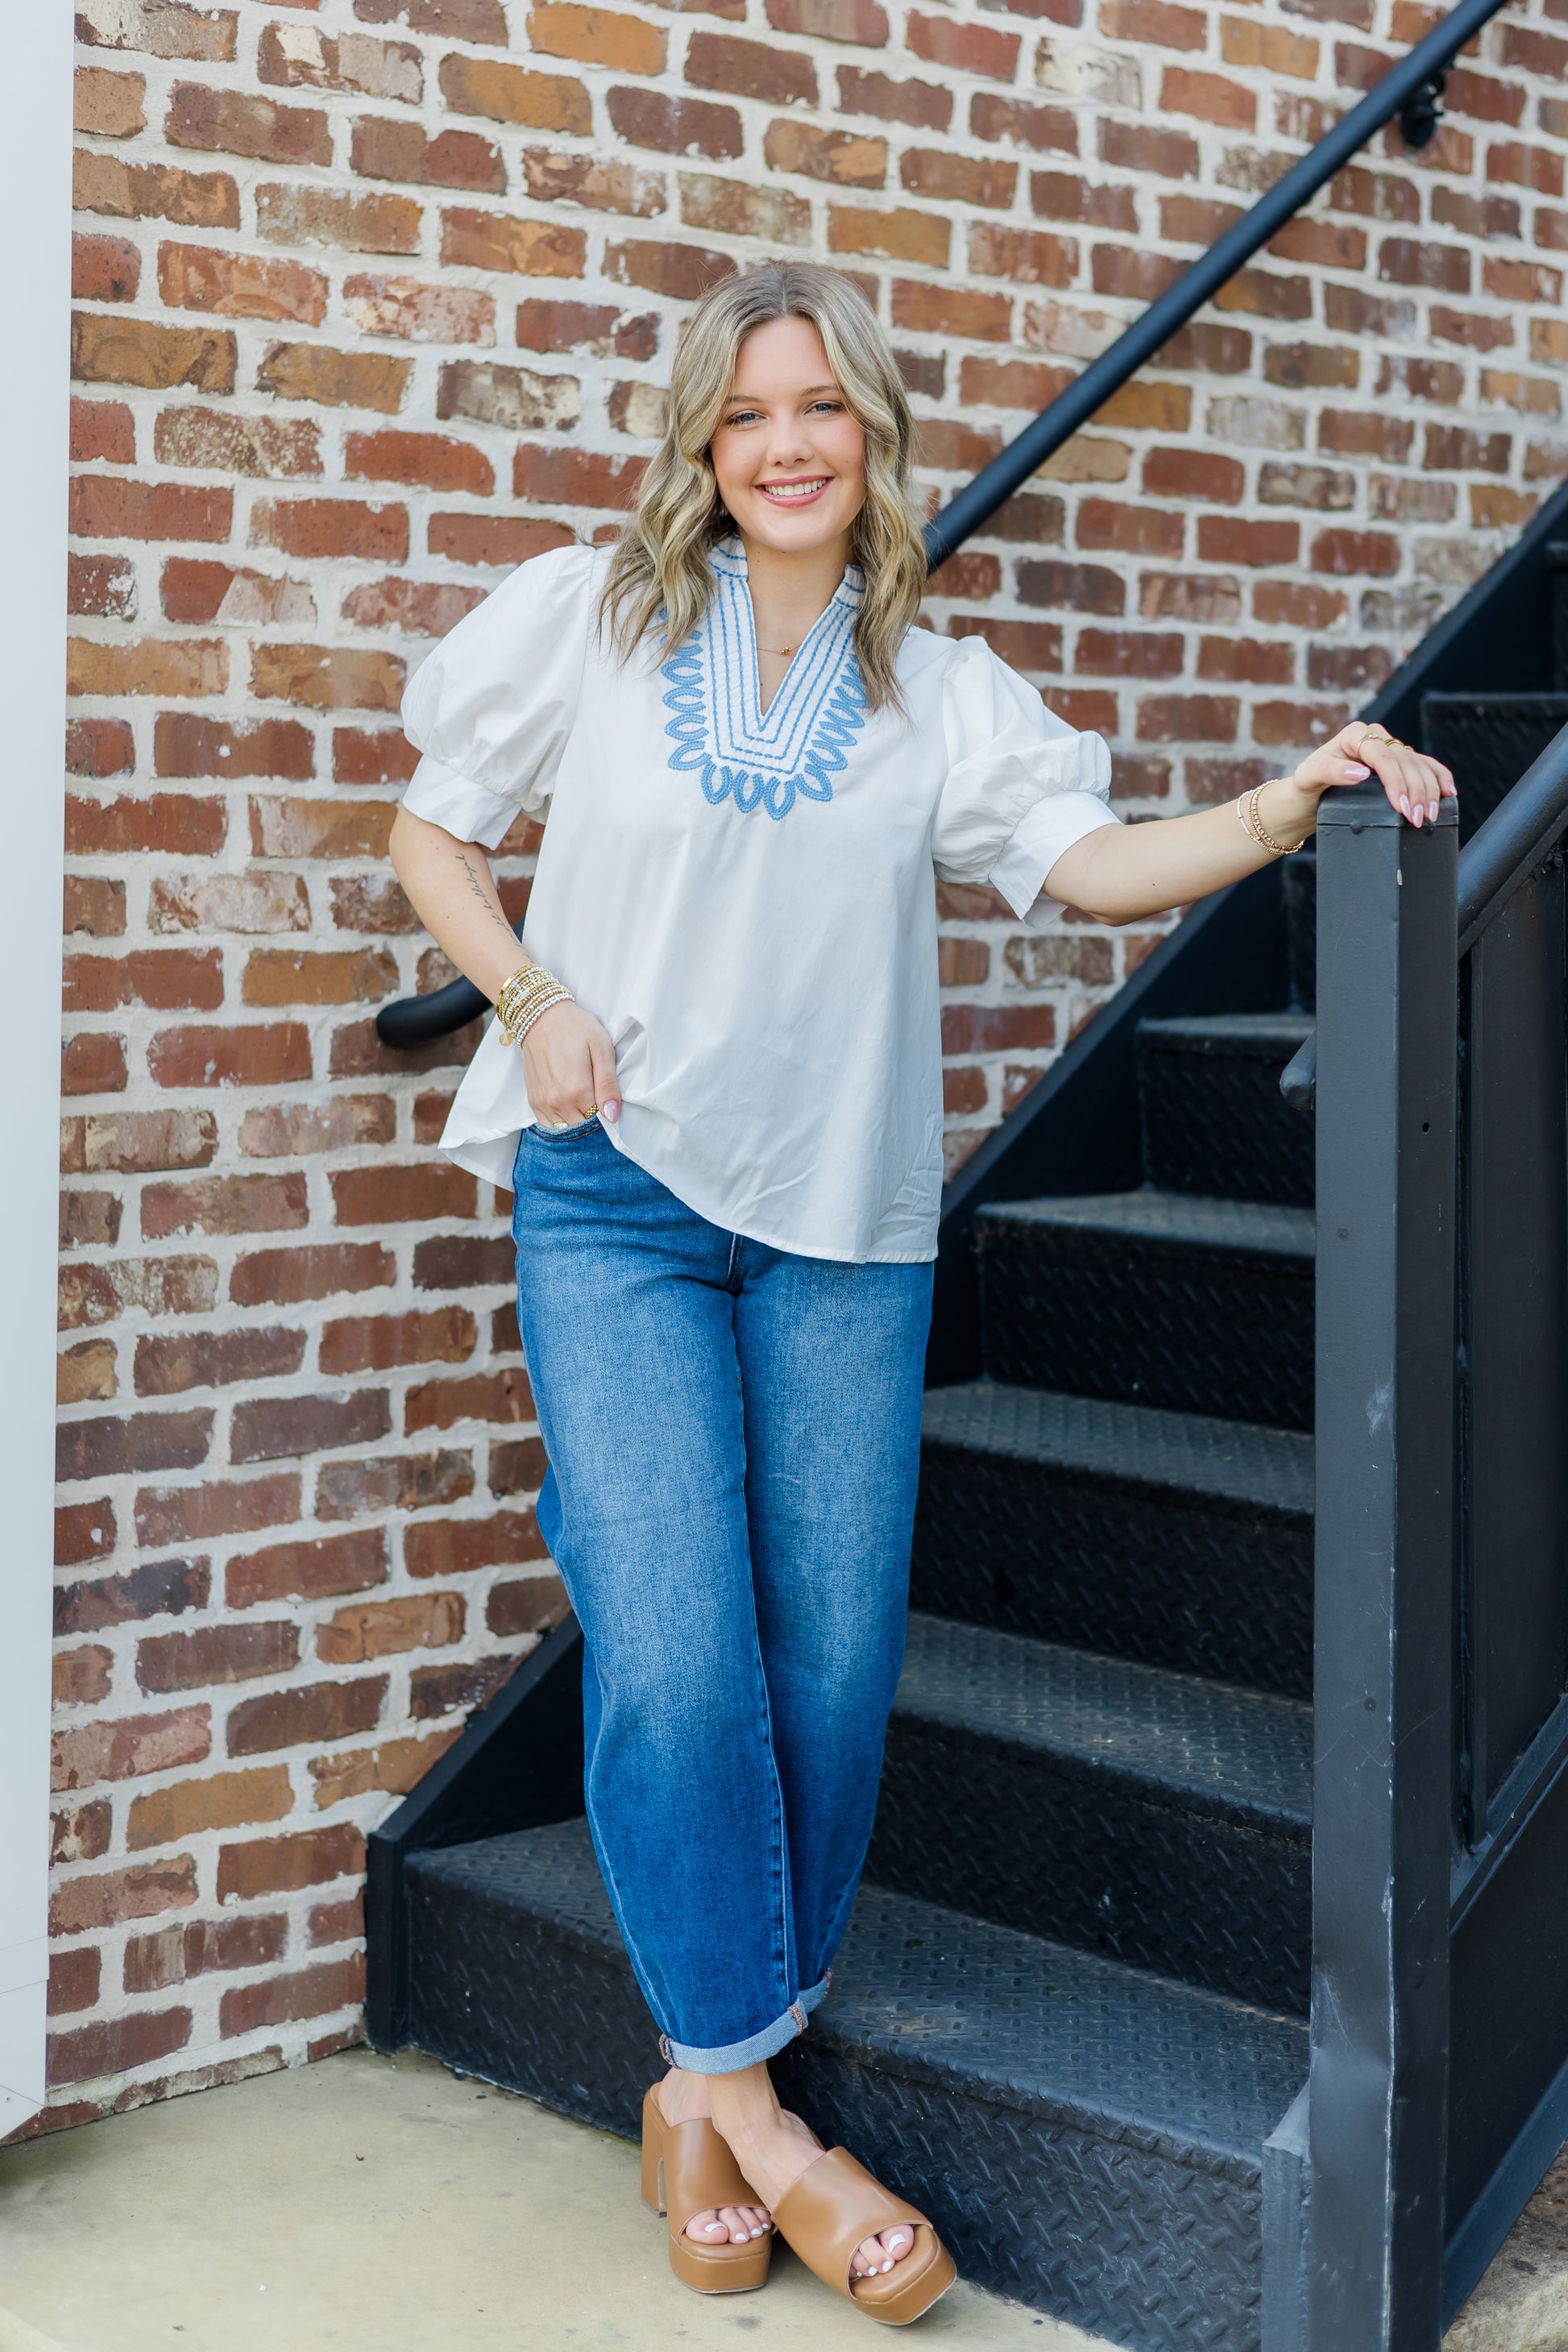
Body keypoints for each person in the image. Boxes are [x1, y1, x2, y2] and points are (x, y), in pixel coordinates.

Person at [388, 259, 1454, 2325]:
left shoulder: (937, 691)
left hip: (844, 1233)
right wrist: (529, 995)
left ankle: (694, 2096)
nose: (784, 445)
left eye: (820, 408)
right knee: (673, 1650)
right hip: (612, 1198)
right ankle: (775, 2126)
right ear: (703, 446)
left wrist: (1279, 802)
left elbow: (1085, 863)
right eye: (744, 413)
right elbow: (435, 831)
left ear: (872, 436)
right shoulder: (597, 619)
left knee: (827, 1673)